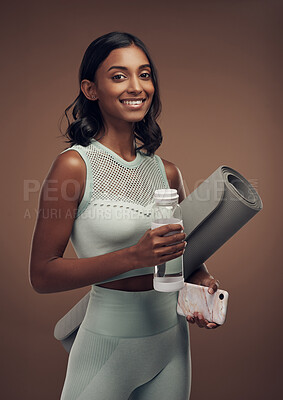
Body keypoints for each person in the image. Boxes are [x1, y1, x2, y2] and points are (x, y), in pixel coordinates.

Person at [29, 31, 220, 400]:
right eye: (119, 76)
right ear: (90, 89)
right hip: (106, 346)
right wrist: (134, 257)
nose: (136, 86)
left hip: (171, 345)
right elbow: (42, 274)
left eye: (144, 74)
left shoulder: (167, 172)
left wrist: (203, 282)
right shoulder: (73, 166)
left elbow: (183, 256)